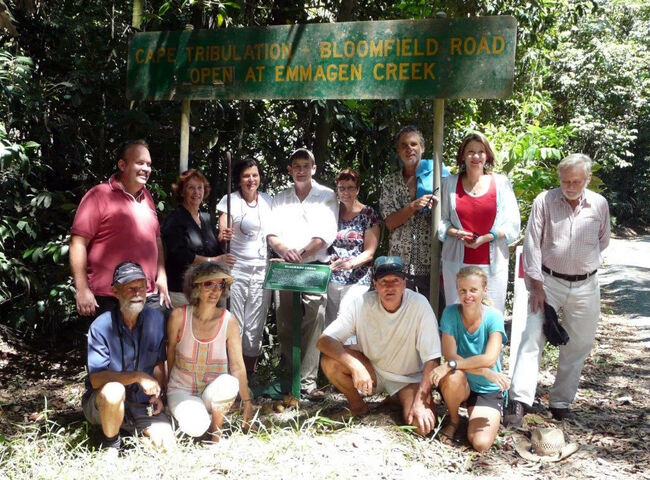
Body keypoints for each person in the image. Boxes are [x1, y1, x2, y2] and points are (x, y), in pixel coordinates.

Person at [504, 154, 611, 426]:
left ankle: (561, 402)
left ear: (587, 180)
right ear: (559, 178)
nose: (571, 186)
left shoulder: (599, 204)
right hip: (548, 282)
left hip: (586, 283)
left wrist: (583, 264)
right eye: (566, 181)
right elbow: (532, 244)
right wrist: (536, 286)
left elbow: (603, 240)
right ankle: (520, 400)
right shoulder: (546, 201)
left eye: (576, 181)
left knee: (579, 343)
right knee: (532, 336)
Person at [317, 256, 441, 435]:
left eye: (395, 281)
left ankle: (397, 398)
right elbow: (324, 340)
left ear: (404, 283)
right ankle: (357, 406)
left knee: (421, 427)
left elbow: (433, 360)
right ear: (375, 284)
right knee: (330, 362)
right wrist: (356, 366)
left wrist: (421, 403)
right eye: (384, 281)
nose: (390, 287)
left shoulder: (419, 304)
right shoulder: (361, 303)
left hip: (408, 379)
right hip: (373, 370)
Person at [70, 139, 171, 318]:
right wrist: (82, 288)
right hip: (109, 297)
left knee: (155, 344)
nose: (146, 169)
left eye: (149, 164)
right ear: (122, 165)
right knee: (112, 347)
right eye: (140, 163)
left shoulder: (147, 197)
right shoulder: (99, 195)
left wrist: (161, 277)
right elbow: (78, 243)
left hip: (147, 296)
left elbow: (156, 240)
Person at [266, 148, 338, 398]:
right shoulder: (281, 197)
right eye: (296, 165)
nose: (300, 170)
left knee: (314, 318)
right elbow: (272, 233)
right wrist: (286, 250)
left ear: (314, 168)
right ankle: (290, 375)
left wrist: (302, 253)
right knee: (285, 320)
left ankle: (307, 381)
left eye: (305, 165)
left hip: (314, 266)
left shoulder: (327, 195)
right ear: (289, 169)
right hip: (286, 265)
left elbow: (326, 234)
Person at [82, 261, 175, 452]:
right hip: (105, 402)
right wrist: (138, 376)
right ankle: (112, 445)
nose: (137, 293)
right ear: (116, 292)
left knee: (167, 447)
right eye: (130, 288)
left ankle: (128, 431)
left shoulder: (156, 320)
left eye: (141, 288)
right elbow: (96, 379)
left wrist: (159, 394)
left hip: (142, 403)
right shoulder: (101, 326)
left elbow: (159, 362)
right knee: (114, 391)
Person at [166, 262, 253, 440]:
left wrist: (246, 402)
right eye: (208, 284)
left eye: (220, 285)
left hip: (212, 392)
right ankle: (195, 418)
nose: (215, 291)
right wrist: (164, 390)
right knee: (196, 427)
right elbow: (170, 355)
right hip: (181, 390)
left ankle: (216, 431)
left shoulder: (229, 321)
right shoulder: (179, 316)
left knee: (229, 382)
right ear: (195, 286)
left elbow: (237, 366)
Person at [438, 132, 520, 313]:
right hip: (456, 264)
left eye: (481, 152)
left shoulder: (501, 183)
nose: (476, 157)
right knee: (457, 316)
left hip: (492, 265)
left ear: (487, 155)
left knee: (490, 317)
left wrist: (487, 237)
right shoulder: (449, 184)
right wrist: (456, 233)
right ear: (462, 156)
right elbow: (441, 221)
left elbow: (513, 225)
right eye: (470, 152)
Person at [430, 266, 509, 451]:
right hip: (462, 381)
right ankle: (454, 420)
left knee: (480, 443)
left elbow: (489, 359)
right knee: (453, 375)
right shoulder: (450, 313)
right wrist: (483, 371)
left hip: (486, 387)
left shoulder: (494, 317)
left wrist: (453, 365)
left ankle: (476, 417)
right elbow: (450, 355)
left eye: (473, 290)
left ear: (484, 290)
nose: (468, 295)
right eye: (462, 290)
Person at [217, 158, 273, 375]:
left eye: (255, 175)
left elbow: (274, 234)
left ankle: (249, 377)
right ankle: (231, 376)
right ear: (239, 180)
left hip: (262, 270)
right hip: (237, 270)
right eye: (246, 176)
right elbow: (222, 236)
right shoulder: (230, 201)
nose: (251, 180)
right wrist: (224, 235)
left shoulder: (268, 200)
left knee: (255, 326)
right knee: (235, 323)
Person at [161, 169, 235, 308]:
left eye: (199, 188)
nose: (196, 192)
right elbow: (179, 255)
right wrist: (214, 260)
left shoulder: (206, 218)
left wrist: (223, 241)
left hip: (208, 290)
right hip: (183, 292)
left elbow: (214, 250)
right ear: (182, 192)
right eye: (191, 188)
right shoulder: (175, 219)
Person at [379, 126, 439, 298]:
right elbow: (390, 222)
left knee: (431, 314)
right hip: (399, 263)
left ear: (422, 148)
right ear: (398, 151)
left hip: (431, 262)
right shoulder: (390, 182)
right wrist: (413, 206)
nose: (409, 148)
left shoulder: (437, 178)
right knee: (400, 314)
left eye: (414, 144)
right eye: (404, 145)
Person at [325, 168, 381, 330]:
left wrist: (350, 264)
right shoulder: (332, 211)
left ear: (357, 189)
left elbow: (370, 252)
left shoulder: (368, 213)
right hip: (333, 278)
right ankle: (330, 357)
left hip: (357, 279)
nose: (346, 192)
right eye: (342, 188)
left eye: (350, 188)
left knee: (346, 326)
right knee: (330, 329)